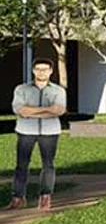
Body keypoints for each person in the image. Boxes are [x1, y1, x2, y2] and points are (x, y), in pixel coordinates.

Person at [7, 57, 66, 211]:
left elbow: (59, 110)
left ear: (51, 71)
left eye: (45, 69)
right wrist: (48, 110)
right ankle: (18, 198)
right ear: (33, 71)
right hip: (26, 131)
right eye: (38, 69)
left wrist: (31, 111)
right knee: (21, 165)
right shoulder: (21, 89)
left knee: (48, 165)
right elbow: (20, 110)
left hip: (50, 132)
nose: (41, 72)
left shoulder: (58, 91)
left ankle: (45, 197)